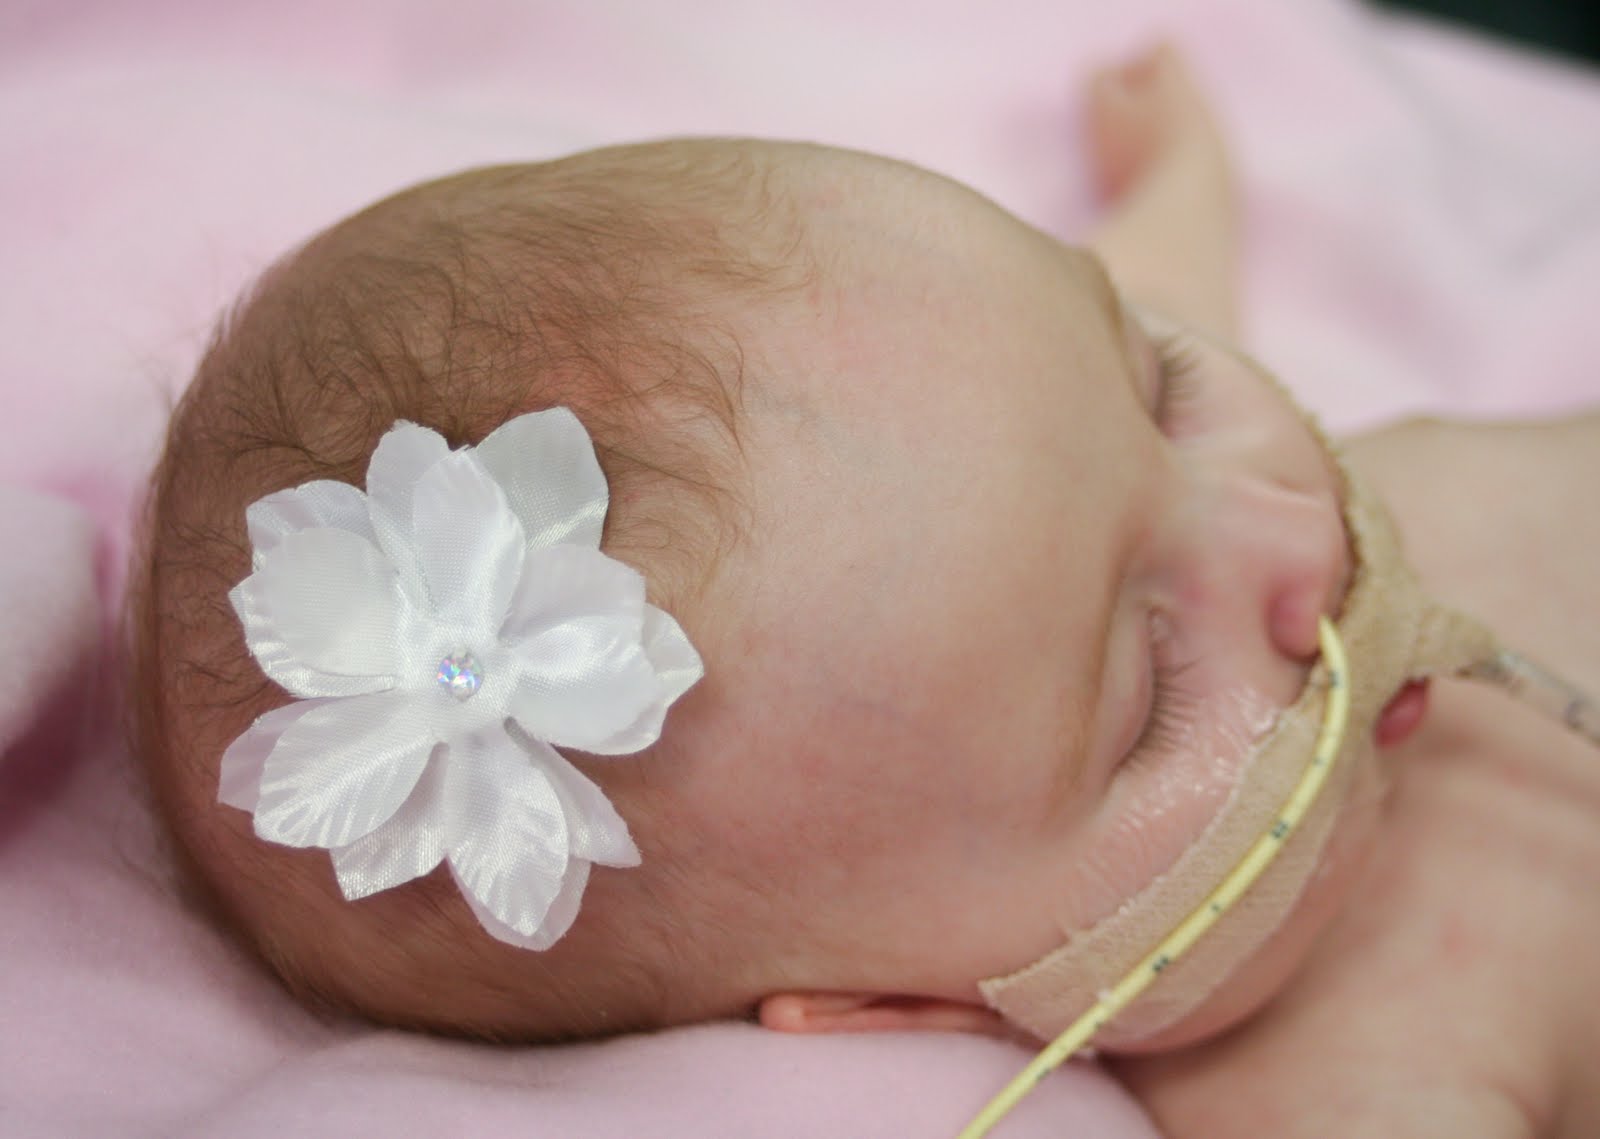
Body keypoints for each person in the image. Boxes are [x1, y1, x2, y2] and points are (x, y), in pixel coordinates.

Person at [128, 42, 1600, 1136]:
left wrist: (1176, 179)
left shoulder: (1081, 462)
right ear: (918, 1011)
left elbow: (1150, 287)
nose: (1291, 536)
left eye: (1167, 387)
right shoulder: (1360, 1078)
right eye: (1153, 693)